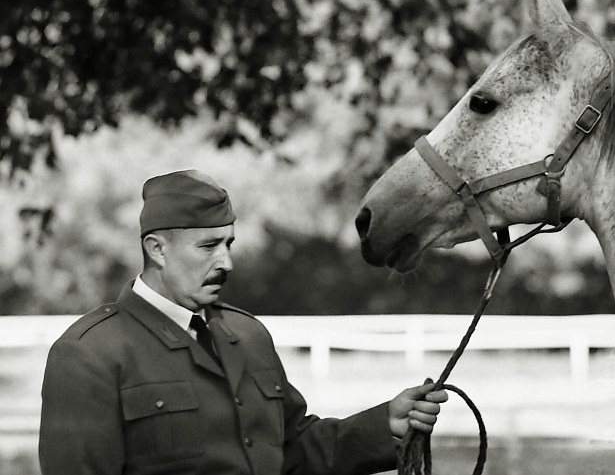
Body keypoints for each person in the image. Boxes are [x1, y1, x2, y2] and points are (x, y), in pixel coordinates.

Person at [39, 169, 448, 475]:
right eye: (208, 246)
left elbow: (293, 449)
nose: (227, 262)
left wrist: (384, 424)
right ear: (157, 249)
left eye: (229, 243)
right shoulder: (89, 355)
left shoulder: (248, 335)